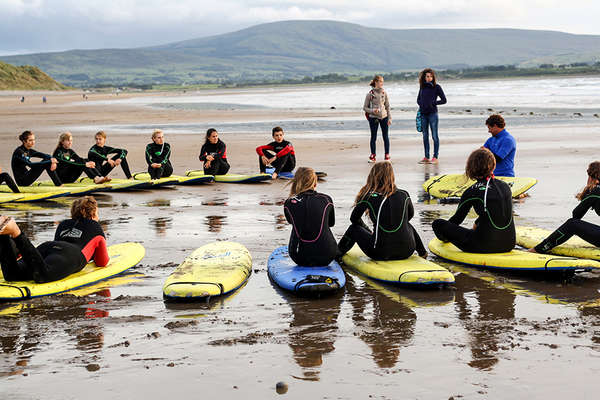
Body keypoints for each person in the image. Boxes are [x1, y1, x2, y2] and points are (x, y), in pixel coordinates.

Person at [0, 196, 109, 283]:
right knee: (43, 275)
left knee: (12, 274)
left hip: (47, 247)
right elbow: (102, 262)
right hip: (71, 253)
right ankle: (16, 232)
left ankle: (4, 234)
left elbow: (52, 254)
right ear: (94, 213)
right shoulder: (96, 227)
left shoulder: (64, 224)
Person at [337, 161, 427, 260]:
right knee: (406, 224)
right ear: (392, 176)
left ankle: (337, 255)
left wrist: (366, 230)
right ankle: (422, 252)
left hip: (380, 252)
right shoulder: (404, 194)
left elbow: (354, 219)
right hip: (407, 251)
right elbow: (409, 216)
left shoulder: (368, 197)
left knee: (353, 228)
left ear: (373, 177)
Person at [432, 148, 515, 253]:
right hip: (509, 243)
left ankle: (445, 239)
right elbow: (495, 212)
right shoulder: (505, 186)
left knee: (438, 224)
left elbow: (457, 220)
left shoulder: (471, 191)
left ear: (470, 167)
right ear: (493, 166)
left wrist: (447, 231)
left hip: (483, 245)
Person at [530, 161, 600, 253]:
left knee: (572, 224)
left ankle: (538, 249)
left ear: (591, 177)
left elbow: (576, 215)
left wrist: (588, 193)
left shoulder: (596, 192)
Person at [283, 167, 337, 266]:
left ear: (296, 182)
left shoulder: (289, 202)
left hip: (301, 257)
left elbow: (291, 221)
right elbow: (331, 223)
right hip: (328, 255)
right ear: (315, 183)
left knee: (297, 225)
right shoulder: (326, 199)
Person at [417, 68, 446, 164]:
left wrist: (433, 103)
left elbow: (444, 100)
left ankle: (435, 157)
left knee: (434, 136)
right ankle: (426, 157)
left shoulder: (437, 87)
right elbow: (418, 99)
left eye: (431, 76)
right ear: (424, 77)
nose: (429, 78)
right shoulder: (422, 87)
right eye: (427, 76)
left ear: (433, 77)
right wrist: (422, 104)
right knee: (425, 136)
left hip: (433, 114)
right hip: (423, 115)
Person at [363, 75, 391, 162]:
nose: (381, 83)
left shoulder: (384, 93)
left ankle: (387, 155)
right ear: (375, 82)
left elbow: (387, 106)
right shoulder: (369, 94)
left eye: (382, 82)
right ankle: (373, 156)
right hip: (373, 118)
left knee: (385, 137)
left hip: (384, 117)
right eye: (380, 81)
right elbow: (364, 108)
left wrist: (389, 118)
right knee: (373, 137)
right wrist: (372, 110)